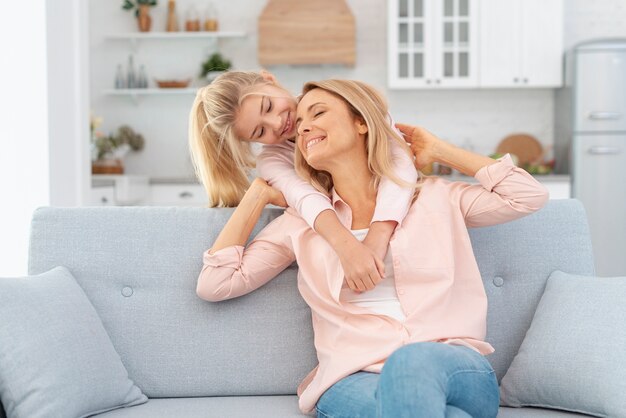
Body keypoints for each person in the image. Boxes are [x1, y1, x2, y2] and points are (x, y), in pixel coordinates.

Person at [195, 79, 550, 417]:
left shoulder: (435, 198)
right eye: (298, 123)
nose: (298, 127)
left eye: (317, 113)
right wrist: (256, 195)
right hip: (353, 376)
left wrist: (440, 150)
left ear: (362, 122)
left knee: (411, 365)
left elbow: (527, 196)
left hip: (451, 361)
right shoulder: (299, 223)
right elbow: (216, 283)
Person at [188, 71, 418, 293]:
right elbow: (306, 197)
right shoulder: (272, 161)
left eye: (268, 106)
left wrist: (376, 239)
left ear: (269, 80)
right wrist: (347, 249)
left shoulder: (334, 99)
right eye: (260, 131)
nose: (276, 123)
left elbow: (399, 160)